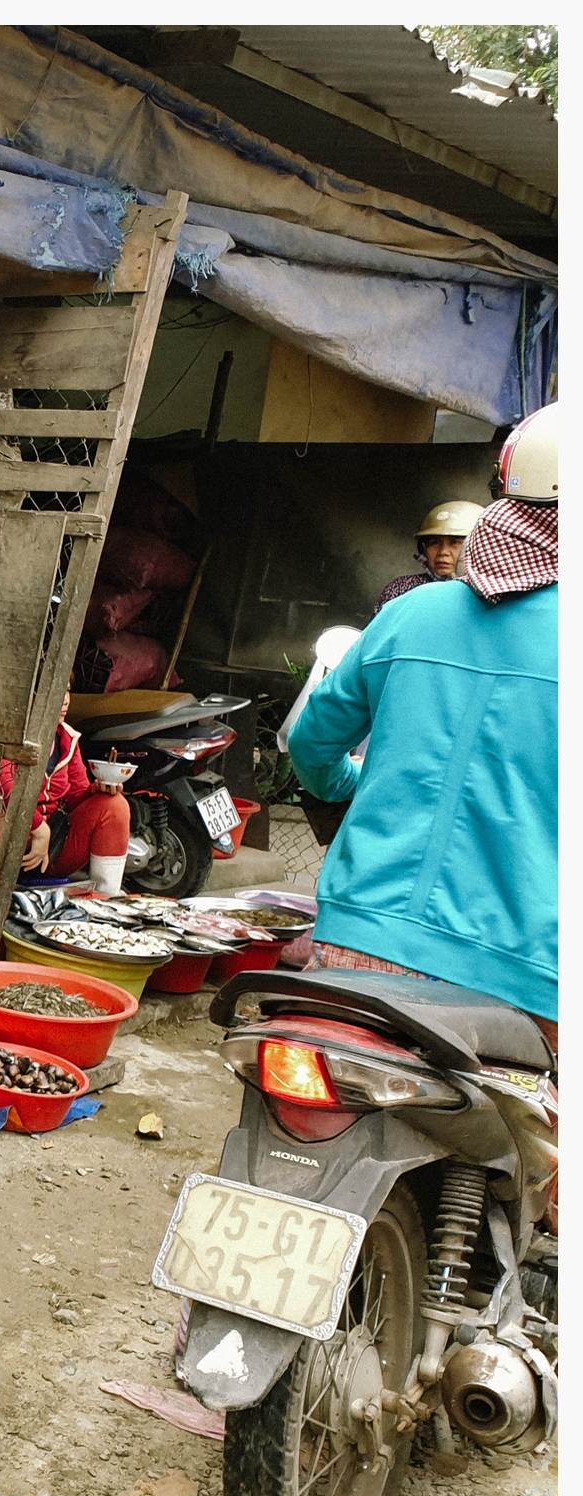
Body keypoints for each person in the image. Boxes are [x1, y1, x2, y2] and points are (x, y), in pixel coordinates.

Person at [286, 402, 557, 1053]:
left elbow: (310, 742)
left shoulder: (410, 613)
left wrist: (348, 784)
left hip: (359, 939)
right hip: (527, 979)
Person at [0, 690, 131, 895]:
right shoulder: (6, 731)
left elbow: (75, 796)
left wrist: (96, 790)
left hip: (52, 849)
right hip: (5, 846)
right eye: (59, 689)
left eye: (67, 690)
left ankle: (105, 897)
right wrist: (39, 829)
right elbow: (3, 784)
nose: (66, 699)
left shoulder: (67, 738)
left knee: (114, 804)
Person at [374, 499, 482, 610]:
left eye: (455, 542)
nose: (443, 552)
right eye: (434, 542)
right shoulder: (401, 588)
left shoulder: (487, 594)